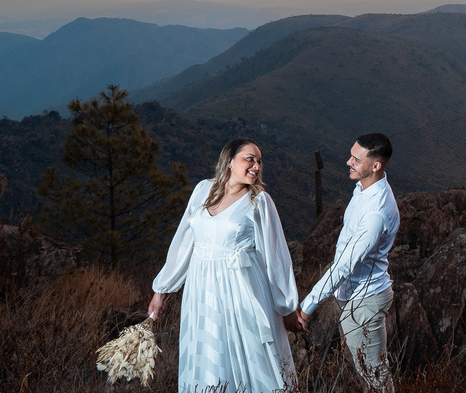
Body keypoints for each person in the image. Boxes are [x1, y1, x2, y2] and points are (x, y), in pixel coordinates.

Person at [148, 138, 305, 393]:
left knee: (248, 353)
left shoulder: (260, 202)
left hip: (241, 291)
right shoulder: (202, 190)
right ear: (230, 161)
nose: (256, 165)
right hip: (202, 292)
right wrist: (161, 289)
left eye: (259, 161)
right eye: (250, 158)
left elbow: (276, 257)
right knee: (209, 350)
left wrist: (286, 307)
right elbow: (185, 242)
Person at [295, 133, 400, 392]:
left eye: (356, 158)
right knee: (364, 370)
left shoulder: (376, 212)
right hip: (352, 296)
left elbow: (344, 265)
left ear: (376, 166)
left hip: (364, 300)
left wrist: (308, 306)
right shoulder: (363, 188)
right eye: (350, 155)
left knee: (375, 376)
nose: (348, 162)